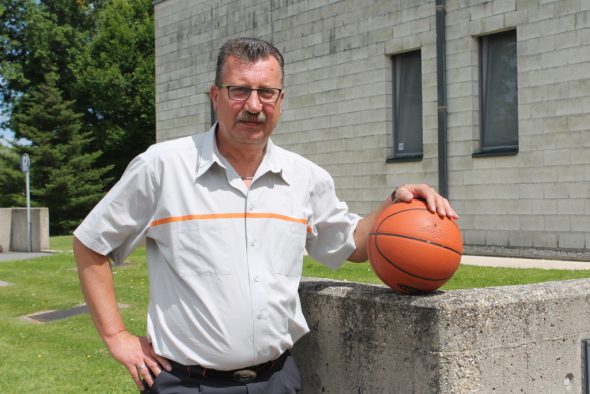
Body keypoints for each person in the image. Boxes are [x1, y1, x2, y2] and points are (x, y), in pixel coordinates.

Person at [73, 37, 458, 394]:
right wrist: (116, 336)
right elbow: (91, 243)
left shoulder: (305, 178)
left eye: (266, 92)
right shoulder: (162, 167)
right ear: (215, 96)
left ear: (280, 98)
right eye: (239, 90)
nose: (254, 105)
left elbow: (350, 244)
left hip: (277, 379)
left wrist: (397, 202)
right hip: (186, 383)